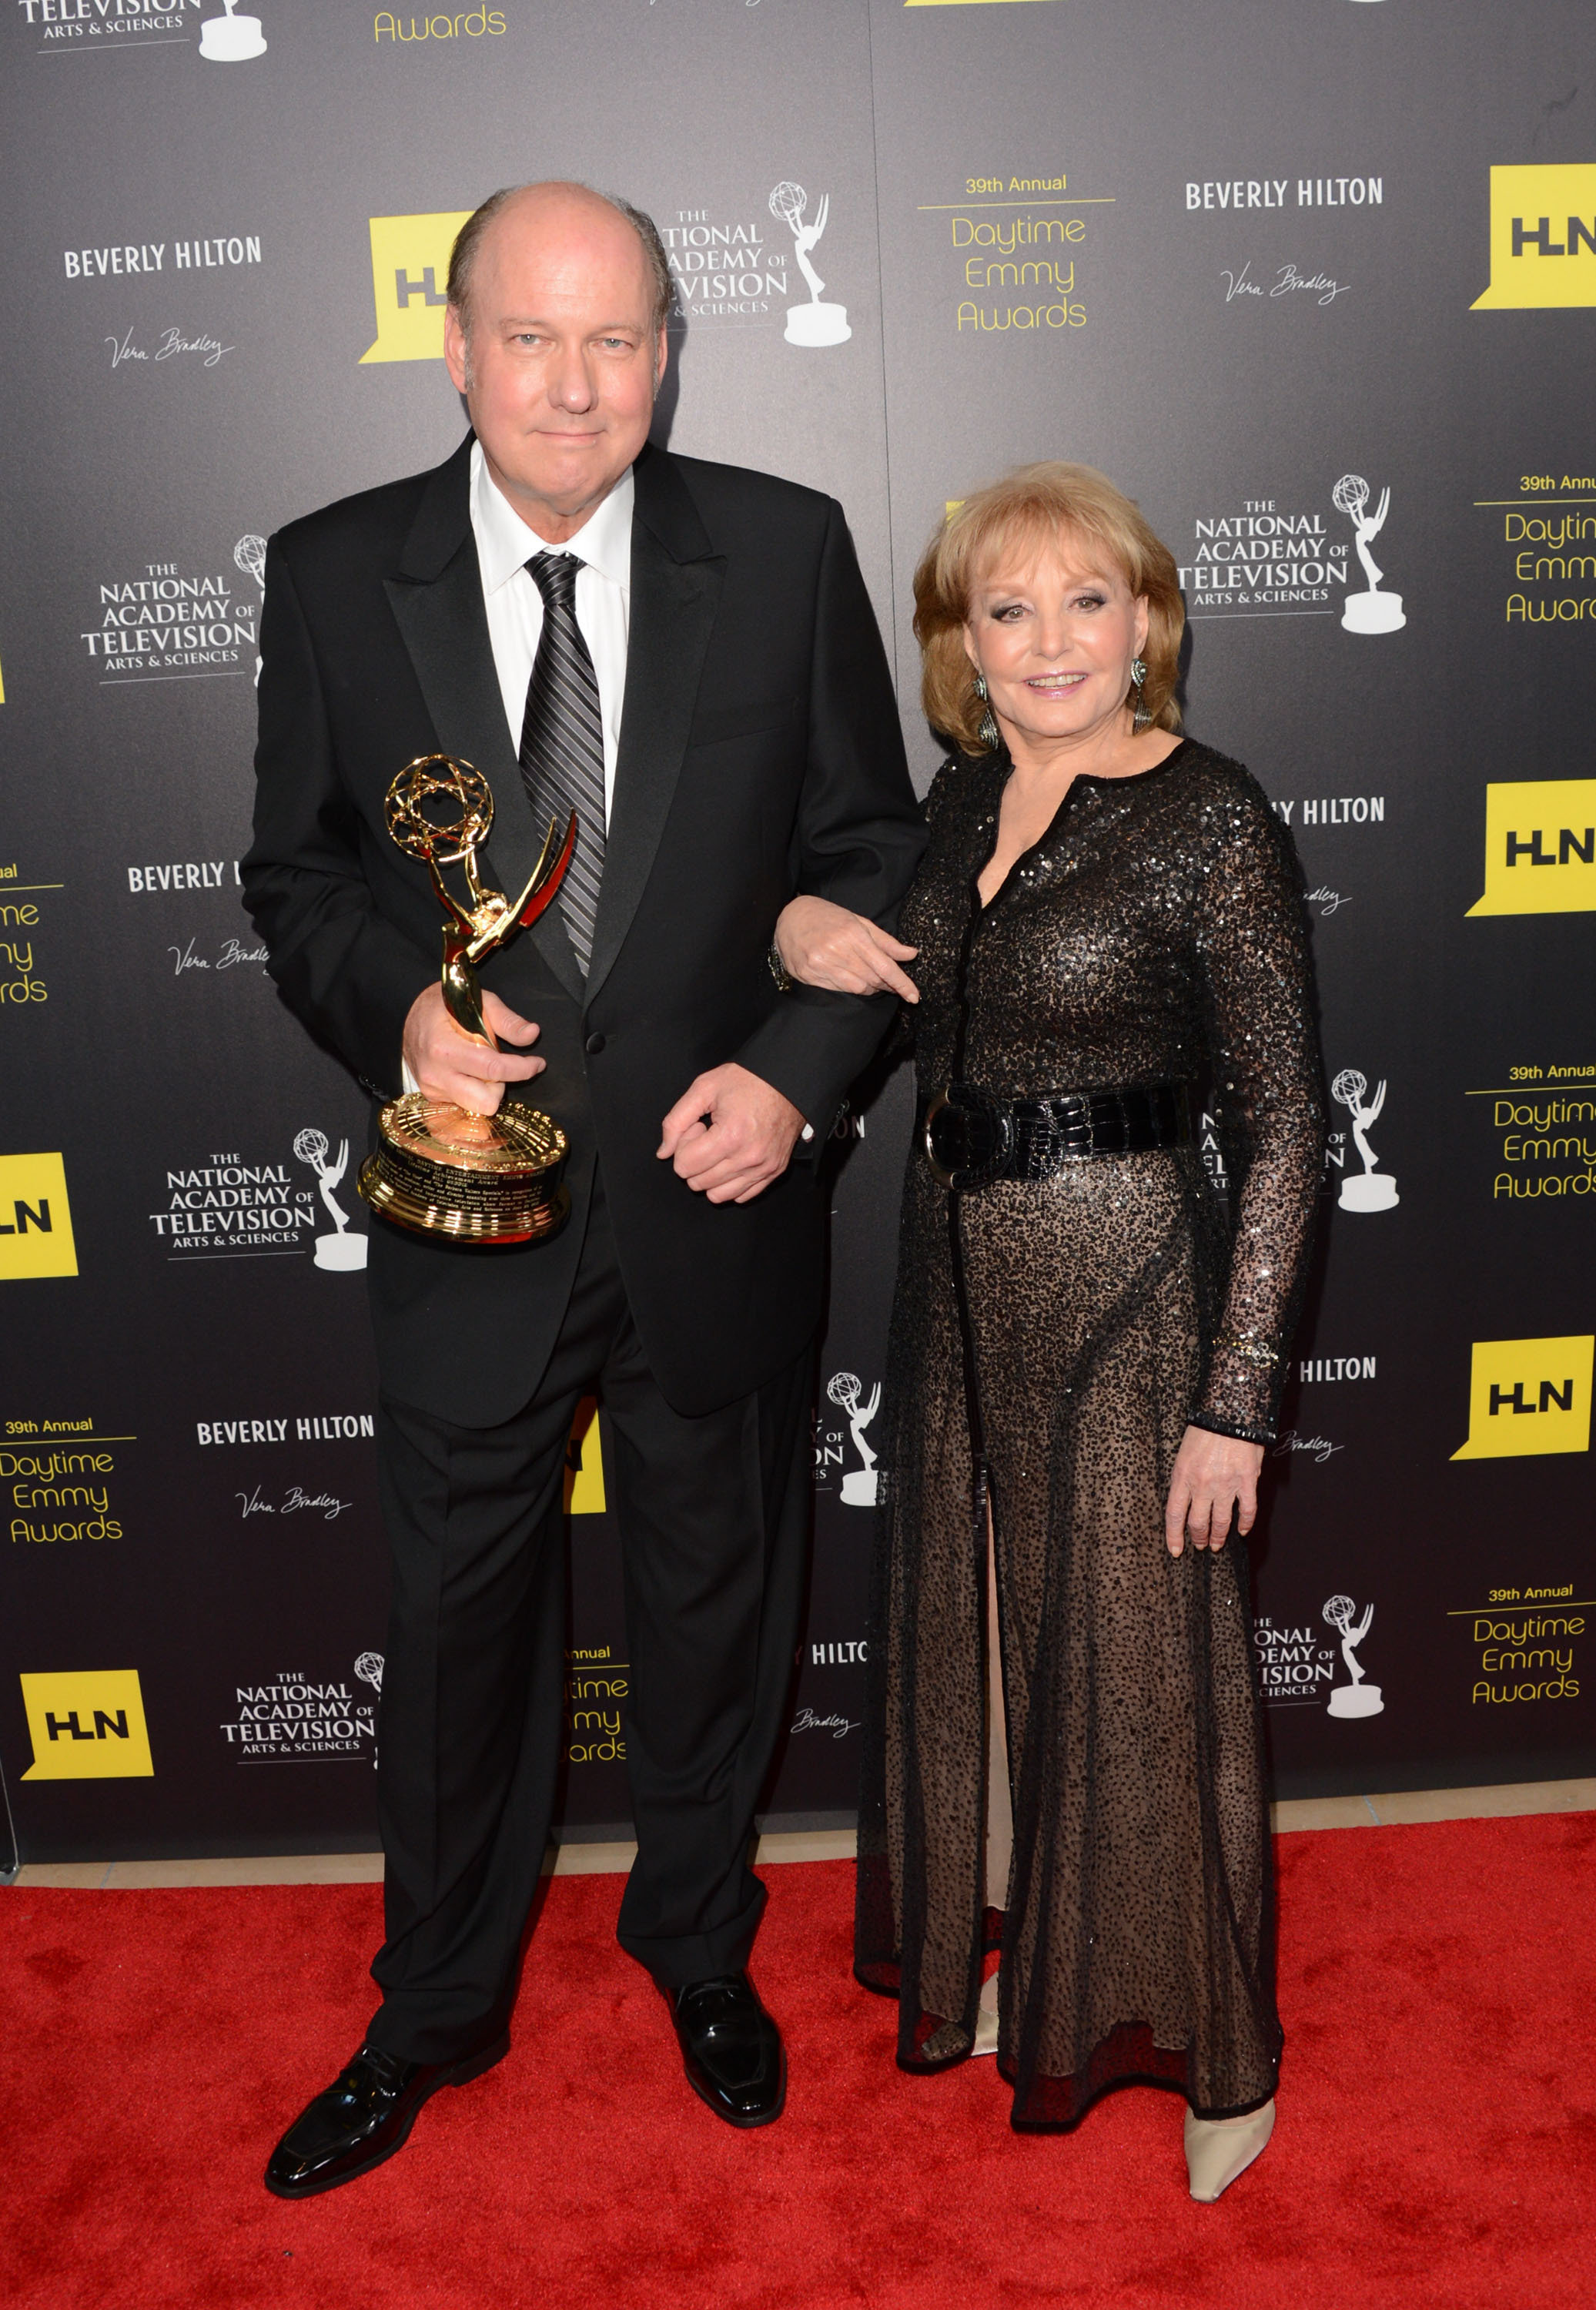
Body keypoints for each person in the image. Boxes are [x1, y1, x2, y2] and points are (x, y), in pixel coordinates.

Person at [243, 181, 925, 2196]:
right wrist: (403, 1024)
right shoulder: (334, 572)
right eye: (528, 338)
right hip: (474, 1212)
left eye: (614, 338)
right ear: (451, 346)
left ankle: (697, 1947)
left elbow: (873, 855)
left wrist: (796, 1083)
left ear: (666, 352)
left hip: (717, 1202)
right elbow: (294, 875)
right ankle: (435, 2005)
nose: (572, 382)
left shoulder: (783, 552)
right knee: (458, 1630)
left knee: (717, 1607)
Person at [774, 464, 1324, 2202]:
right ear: (960, 647)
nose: (1049, 641)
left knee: (1147, 1678)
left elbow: (1289, 1125)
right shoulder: (954, 805)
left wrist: (1234, 1401)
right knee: (993, 1652)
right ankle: (1041, 1944)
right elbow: (874, 975)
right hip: (948, 1288)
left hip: (1134, 1294)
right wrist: (795, 921)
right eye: (1004, 610)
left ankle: (1214, 2053)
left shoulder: (1208, 815)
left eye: (1085, 601)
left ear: (1146, 620)